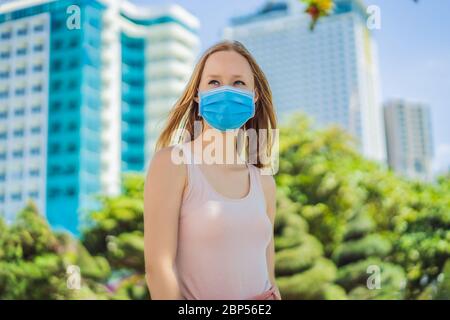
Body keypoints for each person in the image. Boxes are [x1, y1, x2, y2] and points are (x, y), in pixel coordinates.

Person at [144, 40, 281, 300]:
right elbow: (157, 268)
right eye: (214, 82)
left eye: (238, 83)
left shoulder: (264, 183)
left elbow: (270, 277)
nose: (226, 91)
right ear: (198, 94)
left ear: (254, 96)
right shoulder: (174, 163)